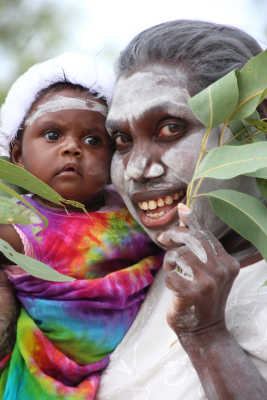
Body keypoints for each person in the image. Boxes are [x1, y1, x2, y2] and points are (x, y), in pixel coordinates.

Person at [96, 20, 267, 399]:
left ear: (257, 125)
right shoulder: (131, 275)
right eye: (122, 140)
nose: (138, 169)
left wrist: (206, 336)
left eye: (170, 128)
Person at [0, 52, 162, 399]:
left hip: (136, 372)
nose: (72, 148)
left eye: (93, 140)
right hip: (42, 378)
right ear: (16, 155)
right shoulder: (16, 222)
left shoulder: (136, 208)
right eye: (52, 134)